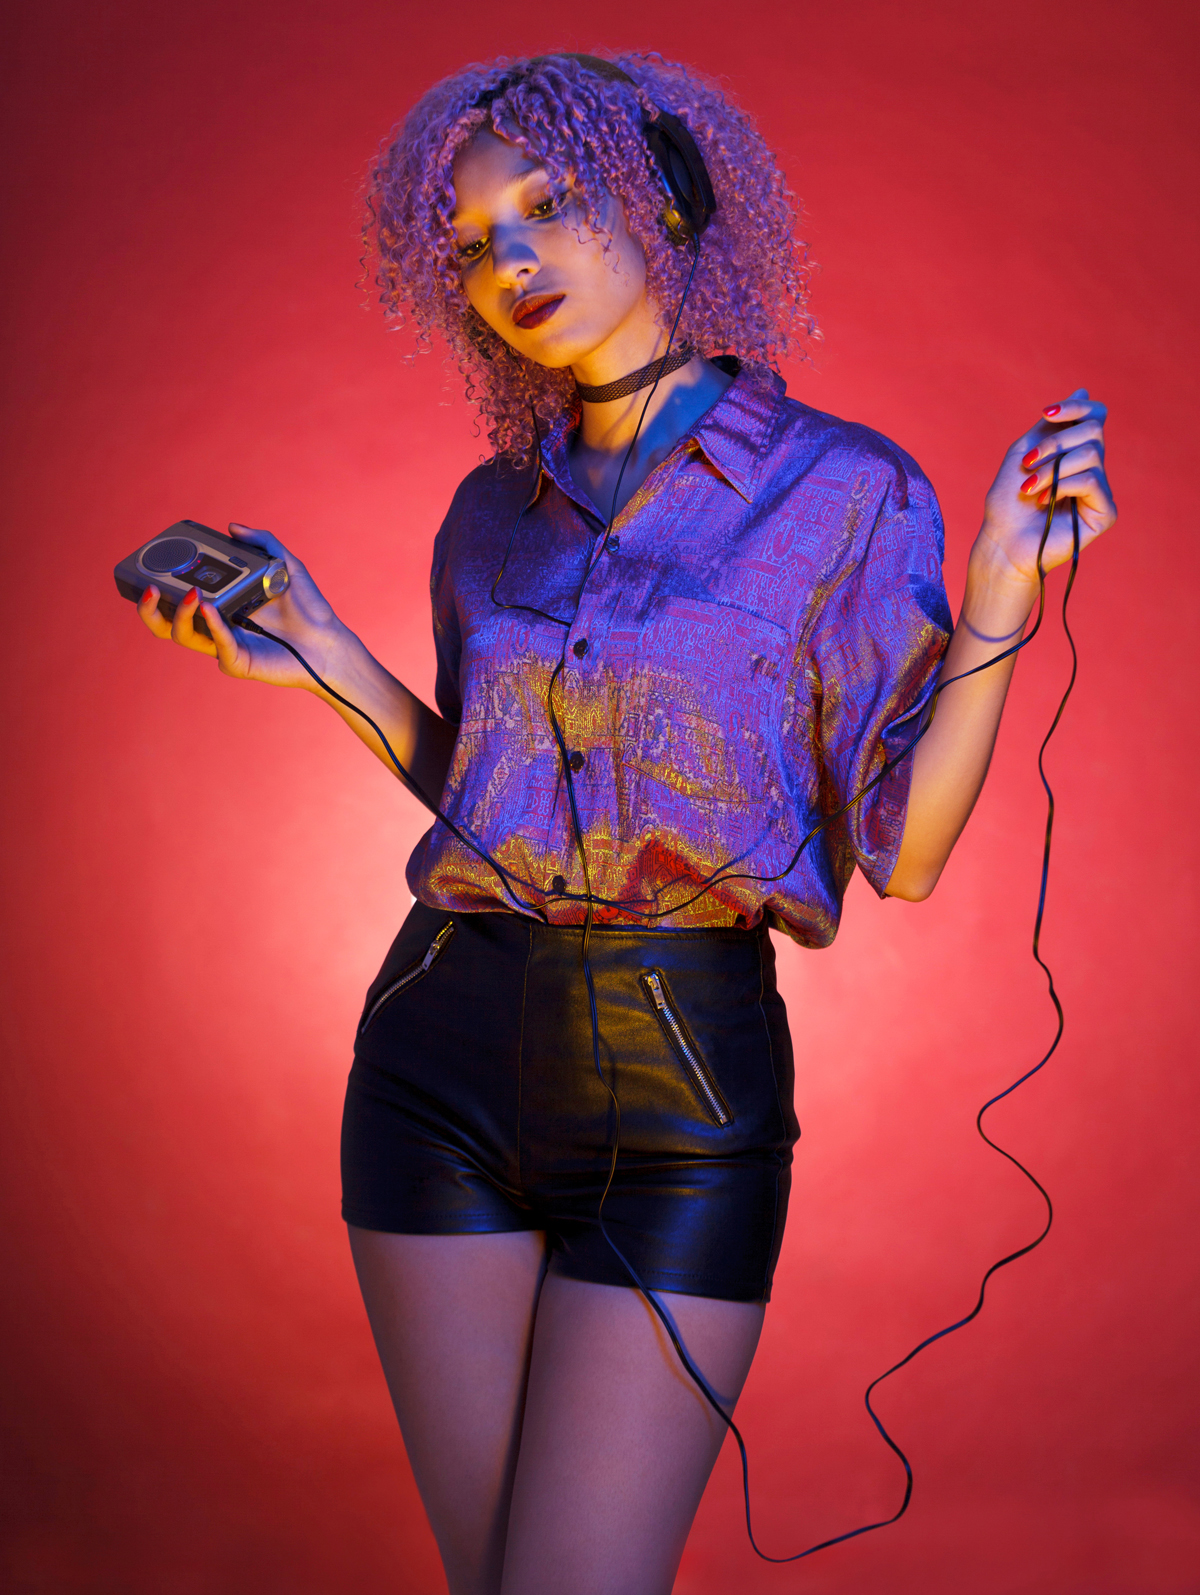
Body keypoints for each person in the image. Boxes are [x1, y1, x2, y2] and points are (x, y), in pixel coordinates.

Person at [135, 51, 1116, 1595]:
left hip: (685, 1090)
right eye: (469, 243)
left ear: (668, 197)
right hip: (432, 1060)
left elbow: (909, 856)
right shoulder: (488, 512)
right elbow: (485, 799)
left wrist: (998, 597)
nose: (507, 262)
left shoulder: (841, 491)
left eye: (548, 207)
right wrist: (317, 643)